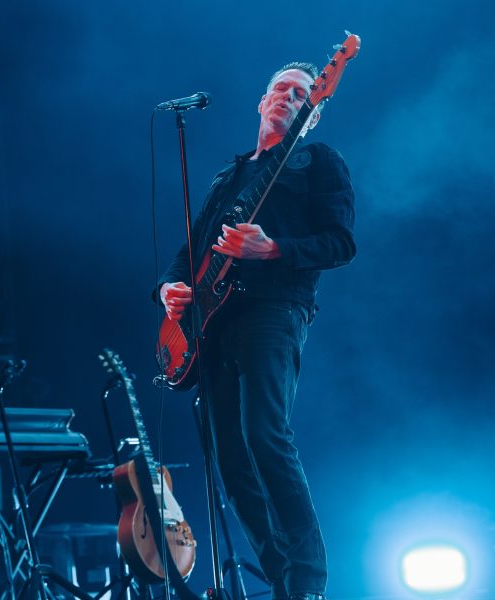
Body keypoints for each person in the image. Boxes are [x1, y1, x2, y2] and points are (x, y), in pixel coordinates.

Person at [156, 62, 356, 600]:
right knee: (230, 459)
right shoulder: (230, 175)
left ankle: (307, 581)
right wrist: (170, 288)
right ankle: (282, 579)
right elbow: (191, 249)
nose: (289, 97)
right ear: (261, 103)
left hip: (274, 310)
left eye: (301, 93)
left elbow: (340, 242)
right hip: (213, 323)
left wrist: (273, 248)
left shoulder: (319, 160)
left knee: (265, 435)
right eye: (280, 89)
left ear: (314, 111)